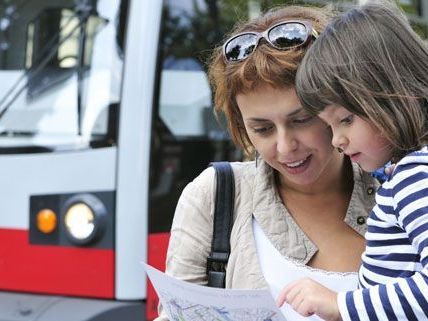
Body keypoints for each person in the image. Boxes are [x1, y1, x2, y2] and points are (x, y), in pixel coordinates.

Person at [154, 4, 379, 321]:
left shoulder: (400, 190)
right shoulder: (215, 195)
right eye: (261, 129)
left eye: (301, 120)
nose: (285, 147)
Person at [277, 1, 428, 320]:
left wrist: (339, 304)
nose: (336, 140)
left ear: (398, 93)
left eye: (345, 119)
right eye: (329, 125)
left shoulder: (414, 177)